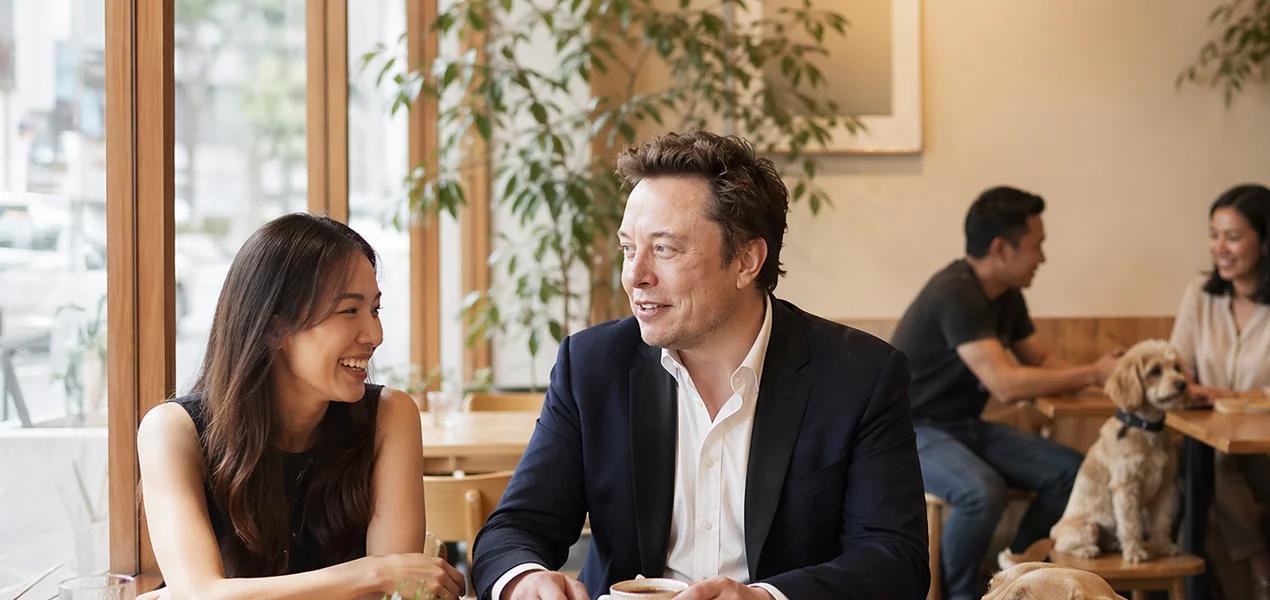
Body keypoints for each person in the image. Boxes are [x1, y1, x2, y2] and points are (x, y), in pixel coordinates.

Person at [470, 131, 929, 600]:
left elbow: (895, 559)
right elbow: (516, 527)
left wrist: (764, 598)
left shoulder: (860, 376)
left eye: (664, 249)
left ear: (746, 260)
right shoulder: (591, 366)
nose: (635, 276)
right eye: (628, 248)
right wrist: (525, 579)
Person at [137, 213, 464, 599]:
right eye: (349, 310)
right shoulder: (172, 430)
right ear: (274, 327)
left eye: (375, 310)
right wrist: (375, 572)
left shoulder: (390, 416)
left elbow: (395, 592)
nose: (375, 335)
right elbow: (200, 594)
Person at [892, 186, 1119, 600]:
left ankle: (1019, 575)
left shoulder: (1006, 295)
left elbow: (1042, 359)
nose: (1042, 258)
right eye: (1036, 246)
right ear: (1001, 249)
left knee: (1070, 473)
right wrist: (1092, 371)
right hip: (911, 430)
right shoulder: (955, 292)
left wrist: (1105, 378)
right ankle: (965, 595)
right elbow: (1006, 383)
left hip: (964, 426)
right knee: (981, 493)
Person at [1168, 184, 1270, 600]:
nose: (1219, 248)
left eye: (1233, 237)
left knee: (1206, 469)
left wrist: (1217, 395)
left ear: (1266, 241)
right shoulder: (1199, 294)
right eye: (1214, 235)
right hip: (1209, 443)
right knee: (1187, 470)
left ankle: (1262, 573)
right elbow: (1176, 366)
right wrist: (1184, 387)